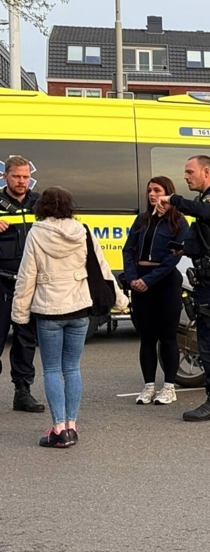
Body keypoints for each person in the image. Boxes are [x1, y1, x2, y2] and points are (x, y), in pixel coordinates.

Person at [12, 187, 127, 448]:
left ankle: (59, 429)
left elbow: (27, 276)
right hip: (79, 308)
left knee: (51, 369)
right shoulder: (83, 231)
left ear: (41, 207)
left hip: (49, 310)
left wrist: (19, 313)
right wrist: (120, 300)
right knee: (72, 368)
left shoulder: (36, 233)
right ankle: (73, 426)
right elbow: (102, 268)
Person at [156, 155, 210, 422]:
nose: (186, 176)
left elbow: (204, 212)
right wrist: (183, 249)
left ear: (206, 172)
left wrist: (173, 201)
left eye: (190, 172)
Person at [122, 176, 189, 406]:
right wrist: (133, 278)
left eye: (157, 190)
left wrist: (149, 280)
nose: (152, 194)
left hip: (165, 283)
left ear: (167, 193)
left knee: (168, 337)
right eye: (150, 190)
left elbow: (173, 258)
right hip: (140, 283)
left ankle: (169, 387)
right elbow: (128, 250)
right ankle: (148, 386)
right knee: (147, 338)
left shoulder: (179, 222)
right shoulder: (141, 220)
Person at [0, 156, 45, 413]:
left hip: (29, 285)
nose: (22, 181)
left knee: (25, 341)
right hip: (2, 282)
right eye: (17, 176)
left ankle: (23, 392)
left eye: (26, 177)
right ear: (5, 176)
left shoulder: (39, 203)